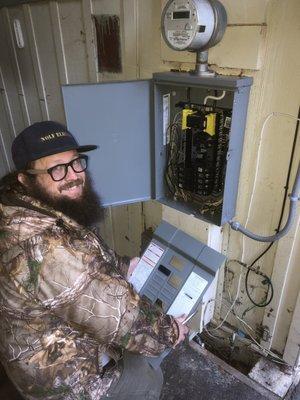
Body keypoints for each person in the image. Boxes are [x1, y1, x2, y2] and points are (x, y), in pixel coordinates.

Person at [0, 121, 188, 400]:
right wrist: (171, 331)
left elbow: (84, 262)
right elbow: (123, 320)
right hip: (59, 380)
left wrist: (124, 266)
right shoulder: (46, 248)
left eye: (77, 163)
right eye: (56, 169)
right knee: (148, 376)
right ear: (25, 178)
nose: (74, 176)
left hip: (31, 347)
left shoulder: (21, 209)